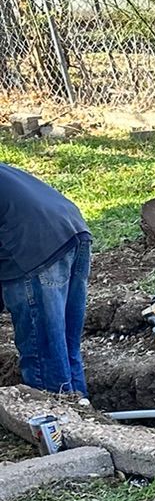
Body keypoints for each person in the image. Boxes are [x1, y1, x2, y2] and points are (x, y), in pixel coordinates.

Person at [0, 161, 92, 402]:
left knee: (42, 352)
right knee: (62, 344)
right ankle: (82, 414)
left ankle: (56, 423)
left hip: (35, 248)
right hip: (72, 230)